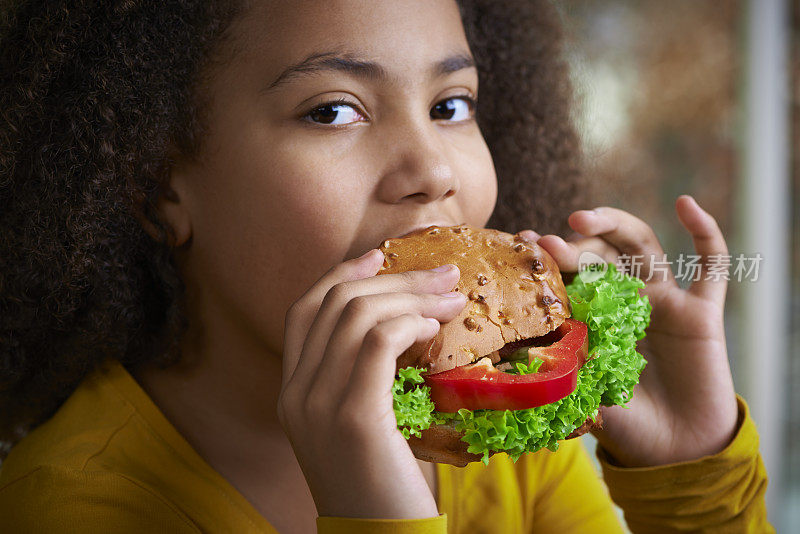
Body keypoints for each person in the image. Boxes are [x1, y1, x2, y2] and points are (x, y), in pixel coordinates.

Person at [0, 0, 772, 532]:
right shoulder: (58, 508)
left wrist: (695, 479)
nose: (431, 169)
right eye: (331, 109)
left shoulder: (497, 450)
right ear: (155, 184)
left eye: (451, 106)